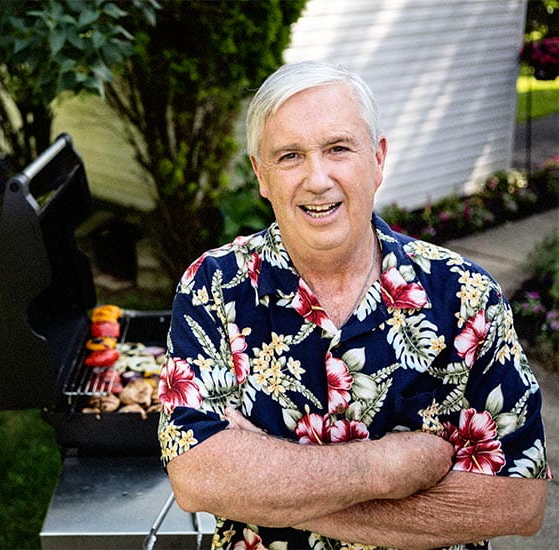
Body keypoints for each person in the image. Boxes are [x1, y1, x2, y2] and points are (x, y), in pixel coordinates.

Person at [157, 61, 551, 550]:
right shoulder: (214, 286)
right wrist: (386, 468)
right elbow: (197, 478)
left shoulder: (466, 296)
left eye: (338, 149)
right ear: (261, 175)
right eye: (290, 156)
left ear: (378, 159)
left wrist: (263, 482)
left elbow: (516, 502)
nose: (317, 178)